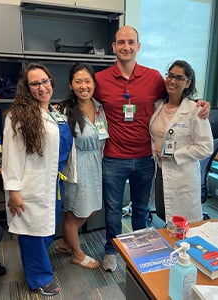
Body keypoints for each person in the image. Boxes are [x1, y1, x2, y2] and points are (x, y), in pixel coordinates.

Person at [93, 25, 211, 272]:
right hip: (113, 158)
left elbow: (175, 98)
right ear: (114, 47)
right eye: (121, 42)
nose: (126, 47)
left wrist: (200, 102)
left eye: (131, 42)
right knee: (113, 209)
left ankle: (140, 249)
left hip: (146, 158)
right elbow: (84, 101)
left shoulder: (154, 77)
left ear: (138, 46)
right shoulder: (100, 80)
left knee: (141, 209)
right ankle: (111, 250)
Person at [1, 63, 73, 296]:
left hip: (52, 184)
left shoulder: (53, 111)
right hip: (29, 187)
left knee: (45, 230)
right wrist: (13, 191)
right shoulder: (18, 116)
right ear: (26, 87)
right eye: (35, 83)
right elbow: (11, 156)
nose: (42, 87)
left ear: (51, 82)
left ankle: (37, 267)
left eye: (45, 81)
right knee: (32, 233)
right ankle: (38, 278)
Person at [56, 62, 109, 269]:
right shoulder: (65, 110)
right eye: (78, 81)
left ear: (94, 84)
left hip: (96, 164)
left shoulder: (99, 107)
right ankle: (77, 253)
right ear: (71, 85)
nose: (83, 86)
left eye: (87, 81)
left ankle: (65, 242)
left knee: (93, 208)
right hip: (76, 166)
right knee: (74, 213)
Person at [149, 60, 213, 223]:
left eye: (179, 78)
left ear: (188, 83)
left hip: (183, 173)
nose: (172, 81)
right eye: (170, 76)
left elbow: (206, 147)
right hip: (160, 171)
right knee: (164, 212)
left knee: (183, 221)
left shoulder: (196, 110)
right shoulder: (158, 106)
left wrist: (174, 155)